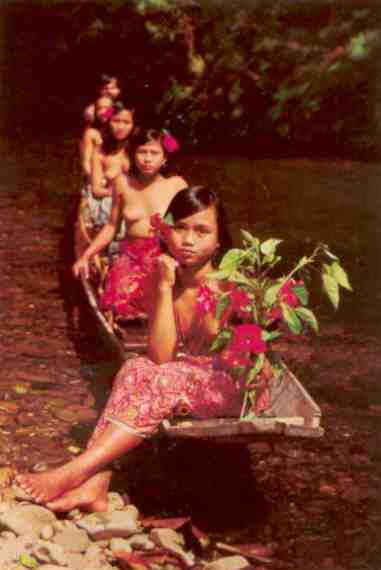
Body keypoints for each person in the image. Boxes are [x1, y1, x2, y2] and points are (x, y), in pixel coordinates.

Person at [15, 186, 245, 513]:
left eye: (202, 231)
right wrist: (165, 287)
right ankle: (96, 486)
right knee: (134, 368)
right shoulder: (165, 275)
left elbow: (221, 354)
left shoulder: (229, 282)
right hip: (184, 375)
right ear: (167, 231)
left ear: (220, 240)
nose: (188, 240)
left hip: (228, 384)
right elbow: (160, 356)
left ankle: (75, 471)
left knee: (164, 377)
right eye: (180, 228)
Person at [74, 128, 187, 320]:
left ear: (165, 158)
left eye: (154, 153)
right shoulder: (122, 183)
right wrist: (86, 255)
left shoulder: (176, 185)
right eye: (142, 152)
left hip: (167, 257)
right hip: (132, 258)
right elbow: (111, 227)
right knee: (121, 306)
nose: (147, 159)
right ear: (133, 155)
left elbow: (191, 228)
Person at [86, 100, 135, 227]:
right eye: (116, 121)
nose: (120, 127)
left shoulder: (139, 149)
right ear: (108, 122)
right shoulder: (101, 151)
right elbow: (96, 189)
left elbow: (174, 148)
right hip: (111, 202)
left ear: (134, 125)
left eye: (126, 122)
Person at [79, 94, 114, 180]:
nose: (103, 112)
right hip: (97, 178)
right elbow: (86, 162)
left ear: (113, 110)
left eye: (107, 108)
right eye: (99, 108)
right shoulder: (91, 133)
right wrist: (95, 179)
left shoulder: (120, 132)